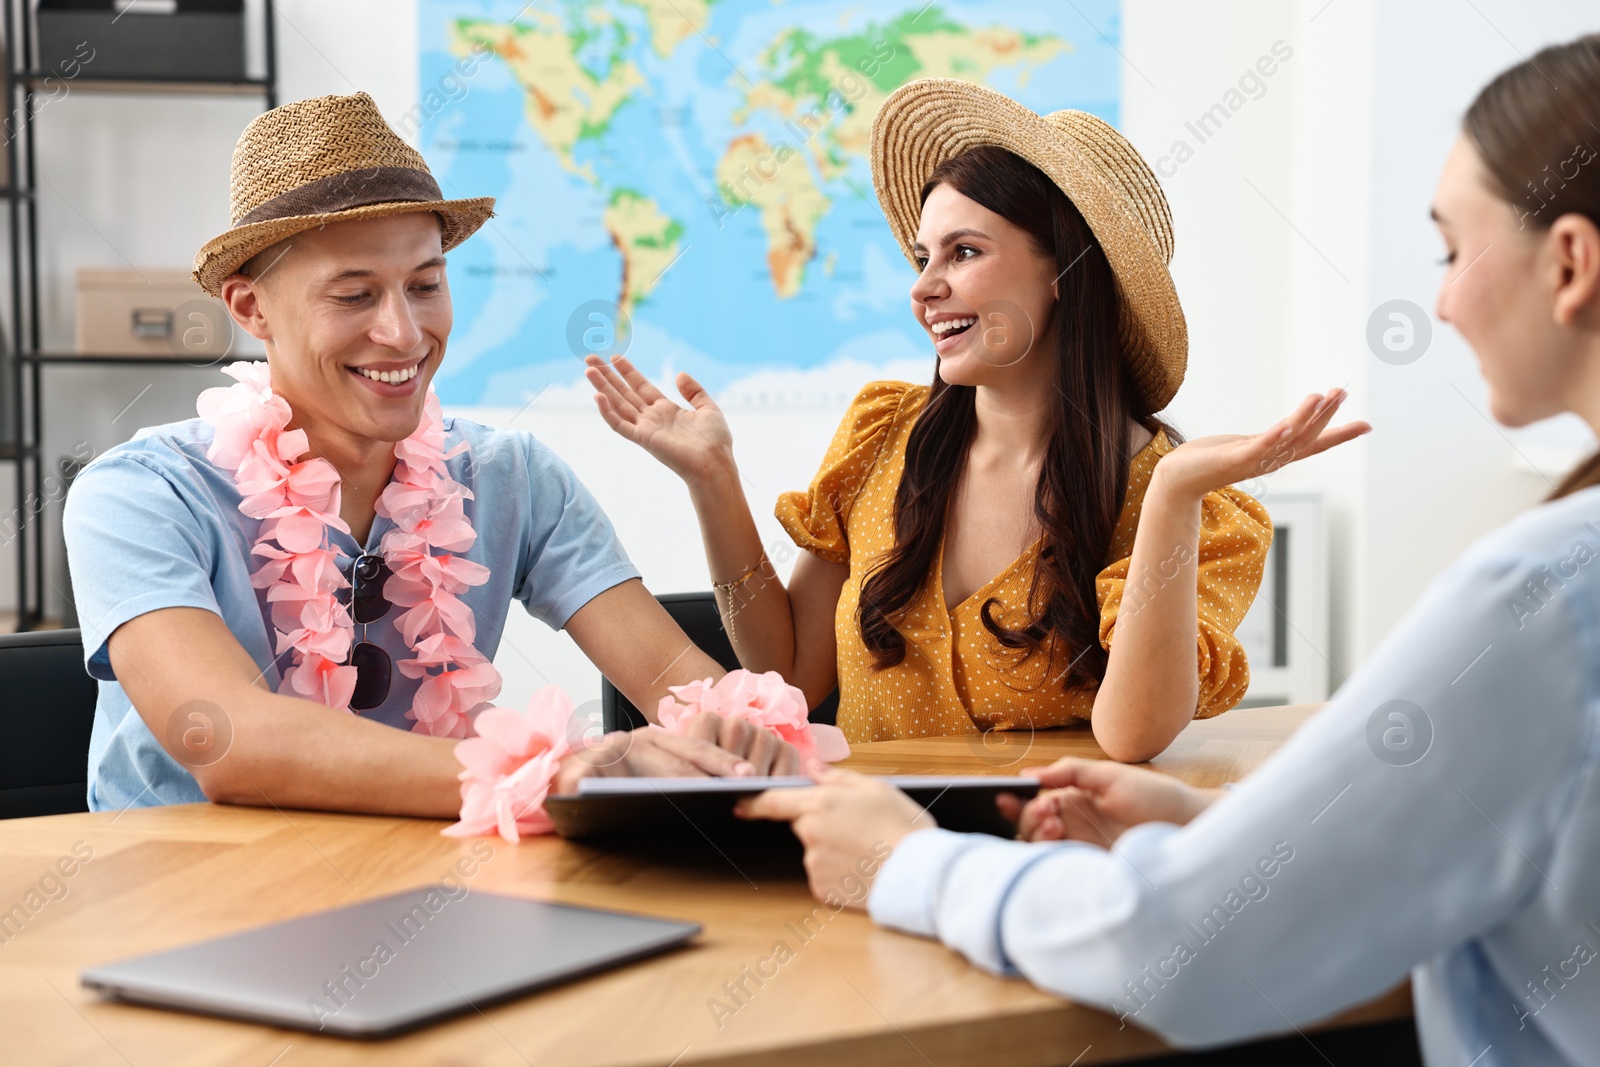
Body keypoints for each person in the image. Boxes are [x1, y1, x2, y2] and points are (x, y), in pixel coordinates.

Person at [739, 38, 1600, 1065]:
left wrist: (906, 863)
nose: (1444, 300)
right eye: (922, 256)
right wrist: (1199, 828)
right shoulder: (885, 437)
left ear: (1569, 263)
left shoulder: (1551, 595)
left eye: (1452, 250)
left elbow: (1183, 942)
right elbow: (1456, 853)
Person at [63, 92, 799, 817]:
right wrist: (561, 772)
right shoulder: (136, 495)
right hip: (183, 910)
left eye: (425, 285)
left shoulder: (513, 477)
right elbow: (228, 741)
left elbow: (679, 682)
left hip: (423, 894)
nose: (405, 333)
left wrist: (739, 739)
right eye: (354, 296)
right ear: (251, 308)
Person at [587, 79, 1365, 761]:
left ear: (1066, 269)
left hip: (1043, 876)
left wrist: (1171, 494)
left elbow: (1132, 734)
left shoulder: (1200, 513)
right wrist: (712, 478)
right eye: (921, 257)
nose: (924, 288)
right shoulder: (882, 435)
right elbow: (791, 672)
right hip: (863, 858)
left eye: (962, 252)